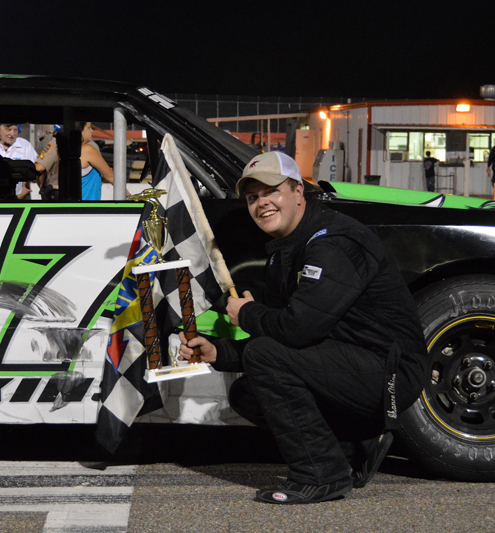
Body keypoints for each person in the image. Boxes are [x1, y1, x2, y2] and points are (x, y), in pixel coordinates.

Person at [178, 151, 426, 505]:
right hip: (352, 360)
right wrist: (220, 351)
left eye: (270, 192)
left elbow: (298, 330)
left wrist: (247, 314)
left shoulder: (331, 242)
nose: (261, 204)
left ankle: (321, 474)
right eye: (252, 198)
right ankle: (353, 446)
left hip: (389, 372)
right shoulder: (286, 249)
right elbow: (283, 338)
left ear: (298, 191)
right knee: (248, 393)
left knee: (265, 358)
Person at [35, 122, 116, 201]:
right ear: (80, 130)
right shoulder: (90, 148)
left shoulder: (91, 146)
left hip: (60, 197)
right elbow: (39, 167)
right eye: (89, 127)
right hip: (74, 200)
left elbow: (39, 168)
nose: (92, 130)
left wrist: (41, 182)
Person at [0, 124, 37, 199]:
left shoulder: (26, 146)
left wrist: (24, 190)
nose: (12, 134)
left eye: (15, 130)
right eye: (8, 129)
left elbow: (35, 170)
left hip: (16, 198)